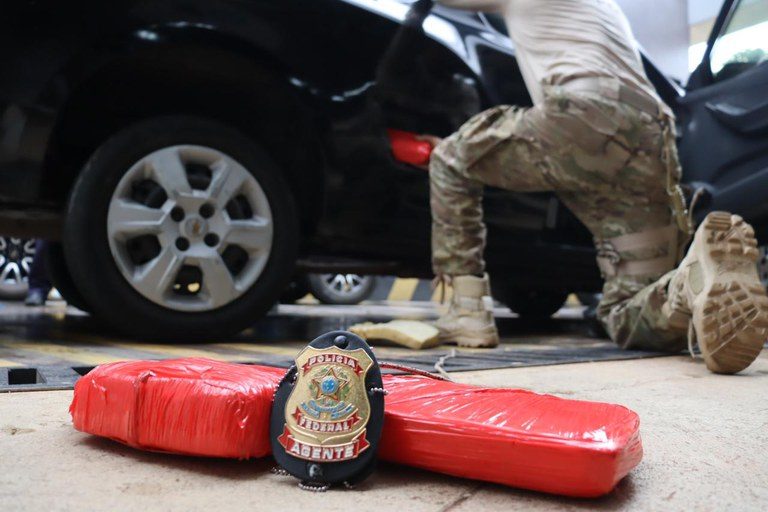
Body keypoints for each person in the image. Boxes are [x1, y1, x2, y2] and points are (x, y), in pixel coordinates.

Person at [425, 0, 768, 374]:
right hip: (651, 139)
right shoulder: (603, 5)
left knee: (450, 159)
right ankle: (688, 288)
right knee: (624, 308)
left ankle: (466, 312)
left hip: (584, 116)